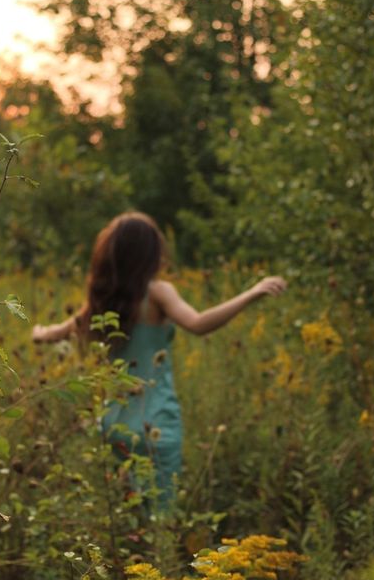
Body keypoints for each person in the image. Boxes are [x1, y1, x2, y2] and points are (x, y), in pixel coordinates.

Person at [32, 211, 286, 508]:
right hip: (156, 425)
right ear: (152, 253)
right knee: (159, 521)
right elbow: (198, 323)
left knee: (126, 516)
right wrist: (251, 293)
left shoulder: (102, 301)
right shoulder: (158, 293)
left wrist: (37, 331)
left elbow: (52, 334)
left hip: (115, 425)